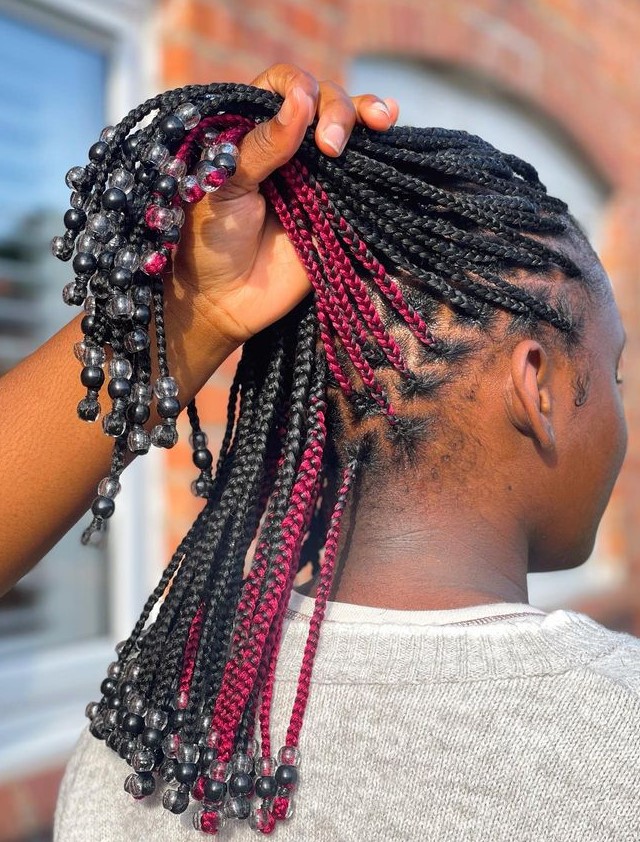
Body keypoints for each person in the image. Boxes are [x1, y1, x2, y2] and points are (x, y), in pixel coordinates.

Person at [0, 64, 637, 840]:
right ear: (534, 385)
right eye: (613, 373)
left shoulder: (146, 739)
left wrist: (190, 313)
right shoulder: (616, 738)